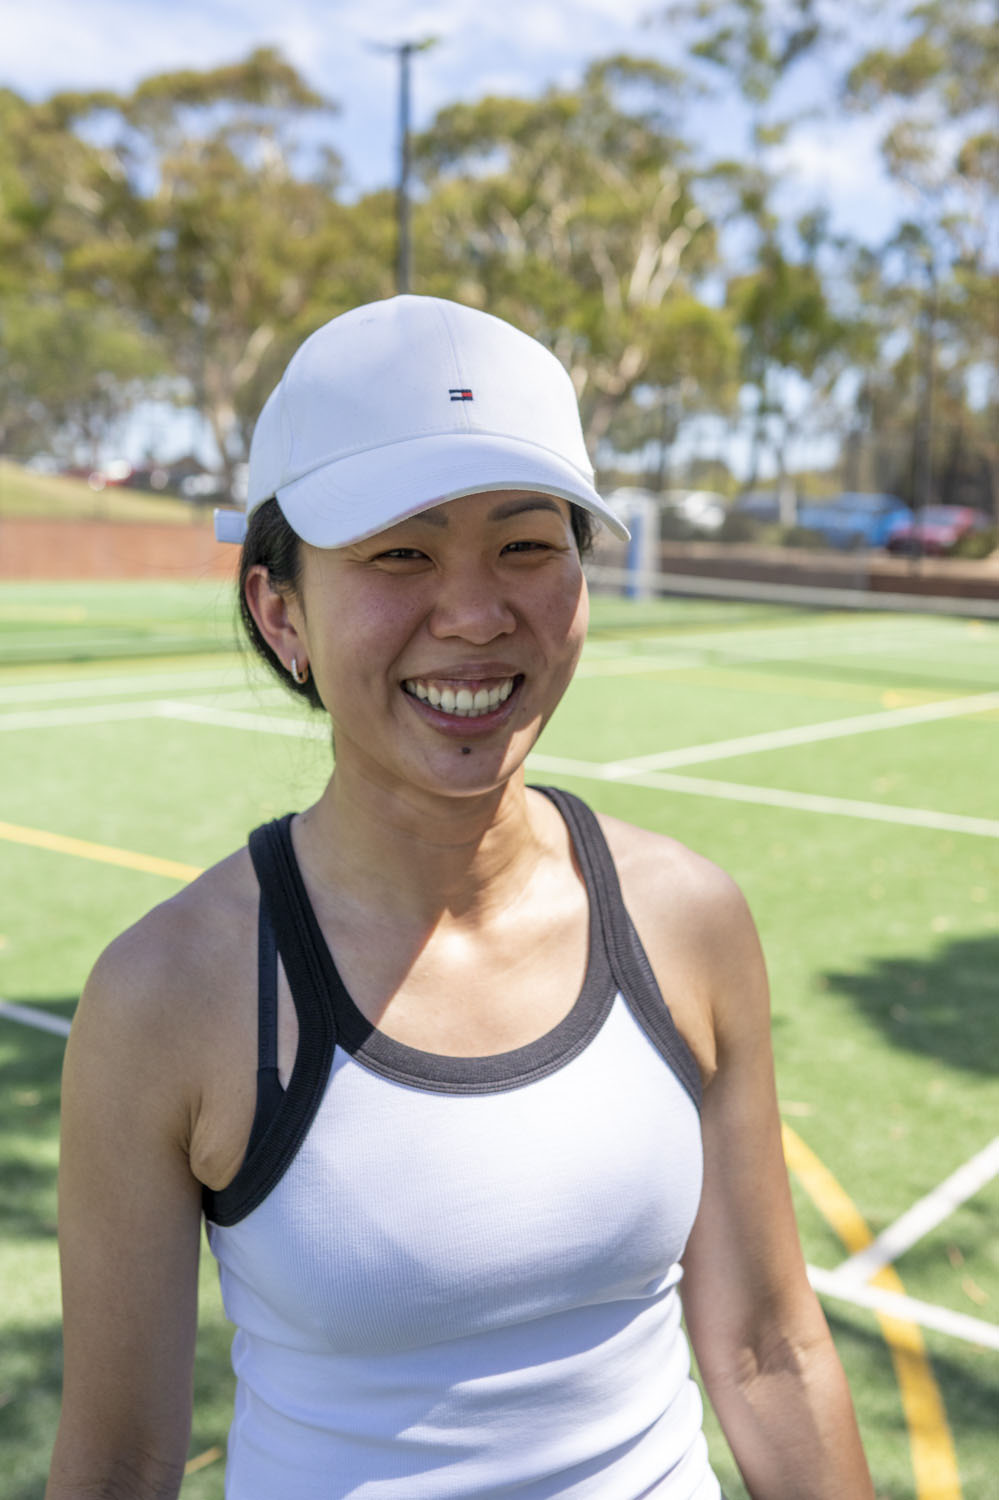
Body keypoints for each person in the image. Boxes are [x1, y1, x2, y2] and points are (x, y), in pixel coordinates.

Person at [47, 295, 874, 1500]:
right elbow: (122, 1461)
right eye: (400, 552)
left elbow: (767, 1352)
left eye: (528, 543)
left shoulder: (686, 916)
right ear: (283, 613)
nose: (478, 613)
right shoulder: (169, 993)